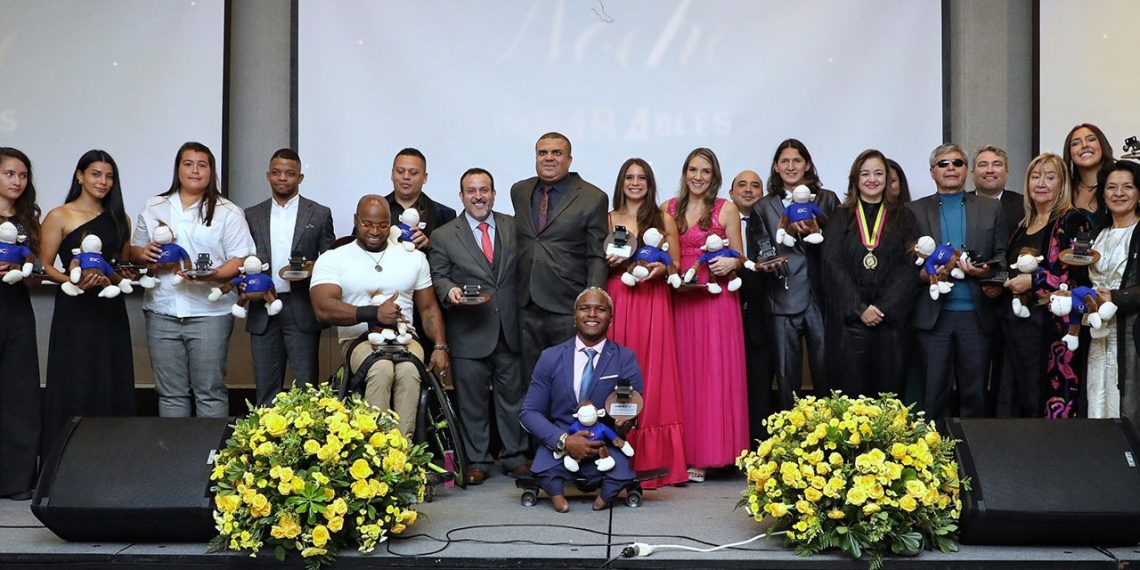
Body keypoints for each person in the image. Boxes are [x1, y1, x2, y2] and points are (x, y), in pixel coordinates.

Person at [130, 142, 255, 417]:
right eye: (188, 164)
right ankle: (176, 459)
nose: (195, 170)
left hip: (210, 312)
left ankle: (211, 460)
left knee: (209, 392)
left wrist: (213, 275)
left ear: (211, 171)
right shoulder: (155, 206)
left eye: (202, 165)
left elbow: (241, 259)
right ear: (178, 169)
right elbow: (134, 250)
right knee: (170, 394)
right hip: (162, 310)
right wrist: (144, 253)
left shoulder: (228, 211)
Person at [310, 195, 449, 435]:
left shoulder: (413, 258)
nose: (375, 231)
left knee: (408, 371)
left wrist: (440, 346)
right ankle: (378, 451)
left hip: (406, 337)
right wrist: (373, 313)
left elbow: (428, 309)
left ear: (391, 222)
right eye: (368, 224)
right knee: (381, 368)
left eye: (383, 225)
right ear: (356, 221)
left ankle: (402, 453)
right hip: (358, 339)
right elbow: (323, 308)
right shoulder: (335, 258)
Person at [429, 168, 529, 485]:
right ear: (461, 196)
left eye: (484, 190)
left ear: (493, 193)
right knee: (471, 402)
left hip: (510, 330)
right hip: (468, 332)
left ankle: (515, 456)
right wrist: (449, 291)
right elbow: (438, 276)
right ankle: (477, 460)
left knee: (512, 398)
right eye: (471, 191)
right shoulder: (444, 235)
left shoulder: (515, 227)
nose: (478, 196)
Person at [39, 150, 135, 459]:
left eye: (109, 176)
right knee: (74, 379)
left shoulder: (121, 218)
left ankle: (111, 462)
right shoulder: (59, 215)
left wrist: (117, 279)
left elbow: (119, 265)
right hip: (75, 311)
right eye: (96, 174)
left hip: (110, 311)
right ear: (80, 176)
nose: (103, 181)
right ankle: (66, 463)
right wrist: (71, 281)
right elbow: (45, 266)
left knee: (111, 379)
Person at [663, 147, 748, 482]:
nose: (698, 177)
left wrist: (732, 261)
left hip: (717, 299)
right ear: (685, 172)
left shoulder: (726, 209)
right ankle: (682, 451)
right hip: (681, 296)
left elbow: (740, 255)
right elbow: (662, 252)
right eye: (693, 170)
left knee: (713, 371)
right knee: (682, 371)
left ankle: (710, 453)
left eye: (706, 172)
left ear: (715, 177)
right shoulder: (667, 208)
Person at [519, 287, 644, 513]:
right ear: (574, 317)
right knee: (544, 470)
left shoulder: (625, 358)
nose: (592, 314)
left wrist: (624, 423)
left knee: (622, 474)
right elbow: (529, 412)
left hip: (602, 445)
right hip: (560, 444)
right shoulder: (550, 357)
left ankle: (603, 498)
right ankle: (558, 495)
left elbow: (634, 406)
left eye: (600, 309)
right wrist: (564, 440)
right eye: (584, 309)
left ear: (611, 319)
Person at [603, 158, 687, 488]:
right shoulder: (607, 218)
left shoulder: (662, 216)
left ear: (650, 183)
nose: (635, 183)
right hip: (619, 298)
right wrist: (609, 262)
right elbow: (596, 257)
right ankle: (615, 456)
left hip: (652, 301)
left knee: (654, 374)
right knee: (617, 373)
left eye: (641, 178)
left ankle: (655, 461)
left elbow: (676, 263)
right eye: (629, 177)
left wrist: (662, 269)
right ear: (621, 182)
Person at [907, 143, 1007, 420]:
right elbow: (905, 264)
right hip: (932, 316)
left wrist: (983, 271)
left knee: (974, 394)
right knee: (933, 394)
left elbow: (1001, 257)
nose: (950, 168)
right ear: (932, 172)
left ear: (967, 170)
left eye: (957, 163)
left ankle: (974, 457)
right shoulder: (912, 210)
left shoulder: (990, 208)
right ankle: (932, 457)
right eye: (943, 163)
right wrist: (926, 275)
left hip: (975, 315)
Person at [510, 132, 608, 383]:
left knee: (568, 381)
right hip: (526, 305)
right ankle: (534, 424)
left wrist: (592, 302)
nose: (549, 158)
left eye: (557, 153)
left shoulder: (592, 197)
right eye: (543, 153)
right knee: (532, 382)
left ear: (569, 159)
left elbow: (596, 254)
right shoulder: (520, 191)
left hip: (567, 306)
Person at [822, 149, 918, 398]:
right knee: (851, 399)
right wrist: (859, 308)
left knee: (889, 398)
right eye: (865, 174)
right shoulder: (840, 216)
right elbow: (831, 264)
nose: (872, 179)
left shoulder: (904, 217)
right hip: (850, 324)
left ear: (887, 178)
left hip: (890, 324)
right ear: (855, 178)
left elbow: (909, 267)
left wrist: (883, 307)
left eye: (878, 173)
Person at [243, 149, 335, 406]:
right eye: (276, 172)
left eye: (290, 173)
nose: (282, 178)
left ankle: (305, 445)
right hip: (262, 307)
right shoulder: (251, 214)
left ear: (300, 177)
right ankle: (264, 444)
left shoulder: (319, 213)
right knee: (265, 390)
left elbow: (331, 261)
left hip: (302, 307)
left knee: (306, 389)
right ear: (268, 176)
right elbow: (242, 258)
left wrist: (313, 267)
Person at [1001, 153, 1088, 418]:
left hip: (1054, 327)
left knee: (1045, 401)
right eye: (1035, 177)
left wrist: (1034, 280)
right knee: (1020, 398)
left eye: (1050, 177)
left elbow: (1081, 276)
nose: (1041, 183)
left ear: (1062, 184)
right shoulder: (1023, 224)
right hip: (1019, 324)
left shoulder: (1077, 221)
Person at [754, 139, 839, 411]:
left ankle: (831, 441)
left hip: (821, 297)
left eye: (797, 161)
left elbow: (839, 247)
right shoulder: (763, 206)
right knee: (787, 378)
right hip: (782, 295)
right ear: (776, 167)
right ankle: (789, 443)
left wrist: (818, 231)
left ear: (807, 165)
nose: (791, 166)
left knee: (827, 375)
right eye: (785, 161)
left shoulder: (827, 199)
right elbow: (762, 248)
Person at [968, 145, 1023, 416]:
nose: (990, 170)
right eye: (983, 164)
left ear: (1007, 171)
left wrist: (999, 282)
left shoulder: (1025, 205)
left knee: (1006, 375)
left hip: (1012, 303)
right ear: (972, 172)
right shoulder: (961, 202)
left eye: (997, 164)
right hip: (968, 302)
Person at [0, 147, 41, 500]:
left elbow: (38, 274)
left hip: (15, 308)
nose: (17, 181)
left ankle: (16, 481)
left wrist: (22, 271)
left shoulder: (28, 219)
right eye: (10, 173)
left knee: (19, 393)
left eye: (22, 175)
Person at [1088, 161, 1140, 419]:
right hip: (1098, 336)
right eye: (1111, 187)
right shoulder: (1098, 232)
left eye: (1128, 186)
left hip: (1131, 334)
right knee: (1097, 399)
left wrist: (1117, 297)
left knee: (1129, 408)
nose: (1119, 193)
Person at [729, 169, 775, 441]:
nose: (748, 190)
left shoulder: (770, 222)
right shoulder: (718, 222)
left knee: (759, 385)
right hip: (724, 314)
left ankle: (757, 447)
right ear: (730, 193)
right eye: (742, 185)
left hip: (760, 317)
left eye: (755, 186)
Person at [385, 147, 456, 251]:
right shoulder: (373, 210)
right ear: (392, 174)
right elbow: (357, 246)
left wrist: (429, 246)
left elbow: (453, 257)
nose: (406, 177)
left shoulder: (444, 215)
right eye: (400, 171)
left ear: (425, 177)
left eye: (413, 173)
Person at [1063, 123, 1115, 229]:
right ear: (1070, 154)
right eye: (1076, 143)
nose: (1085, 145)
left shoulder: (1119, 184)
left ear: (1102, 145)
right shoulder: (1064, 190)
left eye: (1091, 139)